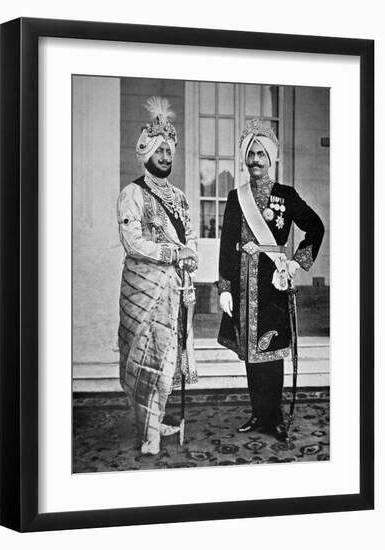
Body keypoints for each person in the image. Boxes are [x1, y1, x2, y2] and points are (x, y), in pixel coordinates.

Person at [217, 119, 324, 441]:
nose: (255, 161)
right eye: (251, 154)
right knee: (251, 354)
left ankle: (274, 417)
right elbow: (226, 244)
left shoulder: (286, 195)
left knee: (271, 352)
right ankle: (258, 414)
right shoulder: (237, 197)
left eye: (261, 154)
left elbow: (315, 228)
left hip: (272, 284)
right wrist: (224, 287)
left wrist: (295, 263)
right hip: (242, 283)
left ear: (272, 157)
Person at [117, 97, 198, 456]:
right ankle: (148, 433)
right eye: (159, 150)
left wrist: (190, 255)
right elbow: (133, 242)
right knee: (144, 361)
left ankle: (158, 420)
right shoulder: (131, 193)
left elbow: (190, 236)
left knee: (167, 361)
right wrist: (171, 253)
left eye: (170, 150)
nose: (166, 156)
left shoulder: (179, 197)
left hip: (175, 290)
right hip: (144, 290)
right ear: (145, 152)